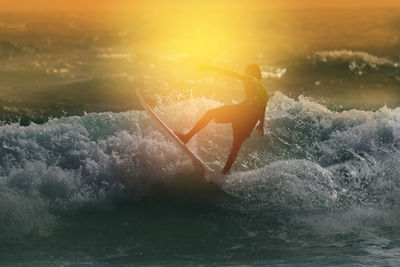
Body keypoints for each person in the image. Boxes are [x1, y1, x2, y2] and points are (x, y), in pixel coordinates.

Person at [175, 64, 268, 175]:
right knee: (236, 144)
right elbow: (263, 107)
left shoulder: (249, 78)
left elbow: (230, 72)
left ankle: (187, 137)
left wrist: (209, 67)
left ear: (250, 73)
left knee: (210, 114)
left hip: (243, 110)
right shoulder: (264, 91)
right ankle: (226, 171)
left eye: (246, 71)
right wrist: (261, 123)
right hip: (252, 119)